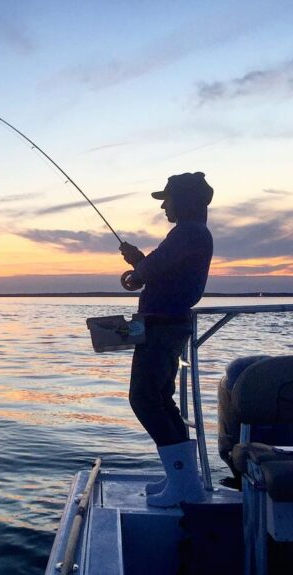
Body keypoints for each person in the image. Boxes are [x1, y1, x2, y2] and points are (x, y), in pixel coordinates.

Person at [119, 172, 214, 507]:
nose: (163, 207)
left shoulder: (187, 233)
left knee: (144, 399)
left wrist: (137, 266)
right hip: (163, 325)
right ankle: (182, 475)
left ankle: (185, 483)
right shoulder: (192, 234)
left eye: (167, 199)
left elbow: (151, 269)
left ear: (184, 200)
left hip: (162, 327)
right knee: (161, 399)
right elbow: (155, 271)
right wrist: (138, 266)